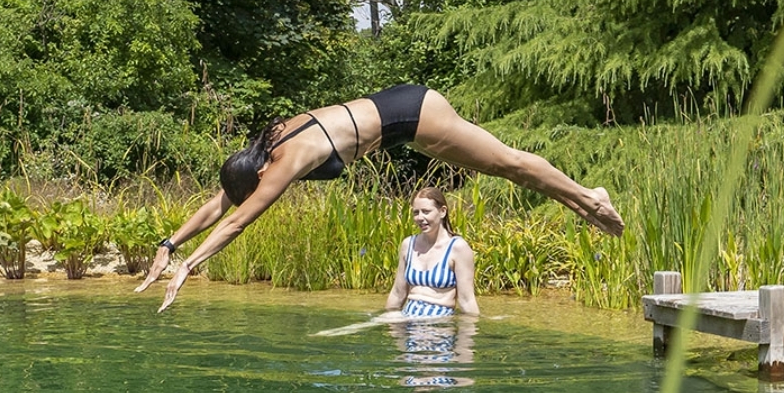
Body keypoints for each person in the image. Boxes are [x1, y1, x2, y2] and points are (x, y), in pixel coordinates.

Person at [137, 83, 622, 311]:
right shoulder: (267, 145)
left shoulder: (286, 161)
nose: (260, 192)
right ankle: (585, 205)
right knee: (506, 168)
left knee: (507, 163)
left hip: (410, 115)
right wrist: (170, 244)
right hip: (402, 117)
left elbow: (239, 222)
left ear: (263, 173)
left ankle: (589, 196)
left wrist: (189, 268)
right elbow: (223, 203)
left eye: (260, 187)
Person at [385, 186, 479, 318]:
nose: (420, 218)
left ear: (442, 211)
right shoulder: (408, 245)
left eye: (426, 211)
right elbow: (397, 294)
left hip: (438, 324)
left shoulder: (458, 248)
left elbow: (467, 300)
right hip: (407, 320)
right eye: (416, 213)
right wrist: (390, 326)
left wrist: (468, 336)